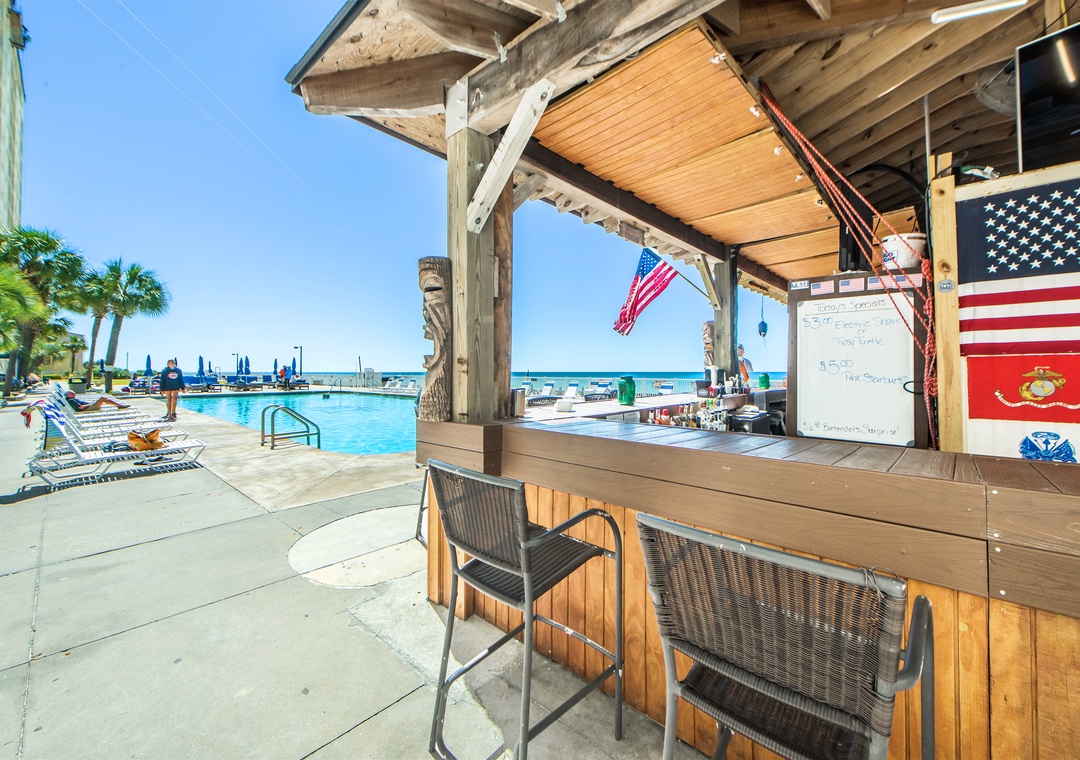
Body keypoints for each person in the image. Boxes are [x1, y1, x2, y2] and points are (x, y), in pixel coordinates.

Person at [64, 390, 131, 412]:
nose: (74, 394)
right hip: (88, 408)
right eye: (72, 394)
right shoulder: (71, 400)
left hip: (89, 406)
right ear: (68, 395)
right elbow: (80, 407)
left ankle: (119, 405)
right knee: (102, 398)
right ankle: (119, 405)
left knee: (103, 399)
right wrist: (89, 404)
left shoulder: (72, 399)